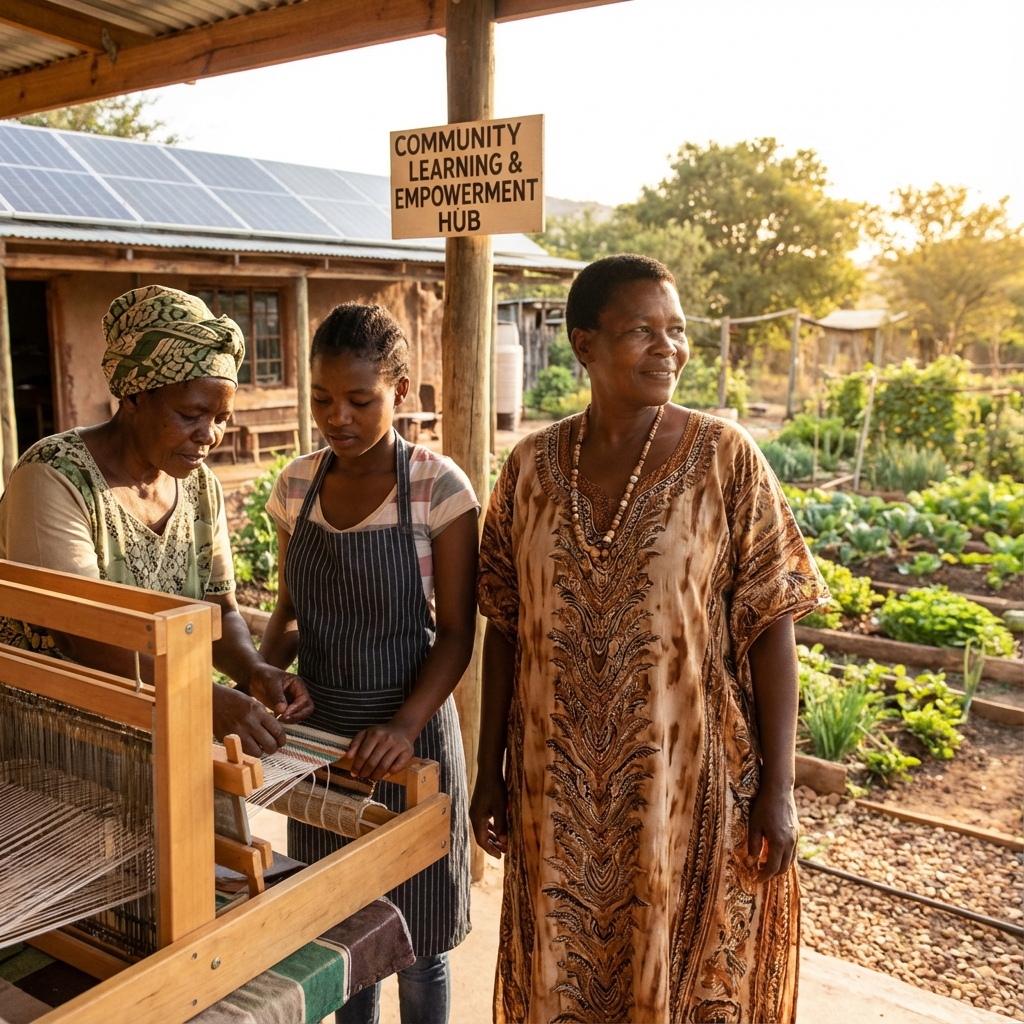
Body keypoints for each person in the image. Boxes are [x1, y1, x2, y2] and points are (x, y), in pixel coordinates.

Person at [471, 254, 829, 1024]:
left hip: (689, 788)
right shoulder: (530, 468)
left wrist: (779, 786)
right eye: (642, 331)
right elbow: (503, 622)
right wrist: (488, 771)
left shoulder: (726, 460)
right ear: (584, 344)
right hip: (555, 796)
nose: (668, 347)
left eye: (677, 330)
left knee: (684, 984)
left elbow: (772, 627)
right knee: (560, 981)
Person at [260, 303, 477, 1024]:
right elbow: (289, 618)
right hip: (321, 745)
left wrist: (403, 725)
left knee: (418, 942)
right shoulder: (297, 486)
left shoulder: (437, 489)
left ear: (403, 392)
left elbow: (453, 636)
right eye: (322, 399)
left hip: (406, 738)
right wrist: (266, 682)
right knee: (342, 938)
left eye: (361, 400)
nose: (338, 417)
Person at [0, 284, 311, 754]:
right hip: (51, 734)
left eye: (222, 417)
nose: (209, 435)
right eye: (191, 414)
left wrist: (252, 670)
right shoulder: (53, 476)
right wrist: (200, 698)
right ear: (133, 396)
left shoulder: (199, 486)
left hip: (159, 726)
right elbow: (81, 632)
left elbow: (219, 610)